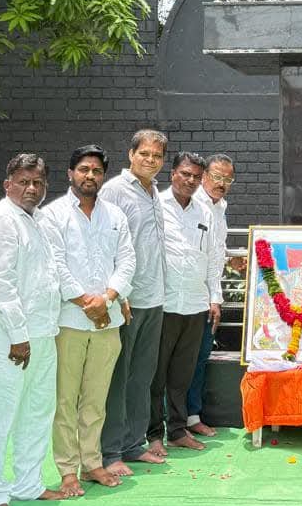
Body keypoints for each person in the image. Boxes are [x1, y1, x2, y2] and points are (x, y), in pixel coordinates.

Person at [0, 154, 67, 506]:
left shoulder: (41, 220)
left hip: (44, 331)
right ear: (7, 184)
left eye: (38, 182)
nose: (32, 188)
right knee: (0, 415)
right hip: (11, 337)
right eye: (24, 181)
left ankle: (29, 483)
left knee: (38, 410)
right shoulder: (2, 220)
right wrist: (18, 334)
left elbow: (51, 275)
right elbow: (2, 282)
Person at [44, 145, 136, 492]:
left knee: (96, 399)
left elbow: (127, 261)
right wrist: (87, 302)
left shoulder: (115, 215)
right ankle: (68, 469)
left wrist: (108, 298)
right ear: (71, 173)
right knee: (65, 399)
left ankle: (92, 463)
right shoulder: (53, 215)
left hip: (107, 321)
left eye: (97, 171)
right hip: (69, 320)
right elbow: (55, 265)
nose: (90, 176)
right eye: (83, 169)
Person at [98, 129, 168, 476]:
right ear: (130, 154)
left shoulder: (154, 192)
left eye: (157, 156)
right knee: (119, 378)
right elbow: (106, 247)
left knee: (141, 377)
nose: (150, 161)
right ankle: (110, 451)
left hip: (154, 299)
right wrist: (119, 294)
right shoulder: (114, 190)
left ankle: (132, 444)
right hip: (127, 301)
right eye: (144, 154)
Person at [150, 153, 223, 454]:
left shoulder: (204, 212)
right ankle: (154, 434)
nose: (190, 180)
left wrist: (214, 297)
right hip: (163, 303)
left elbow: (213, 257)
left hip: (195, 304)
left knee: (183, 374)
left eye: (195, 176)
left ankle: (178, 430)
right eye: (185, 174)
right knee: (156, 375)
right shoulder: (156, 205)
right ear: (173, 174)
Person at [187, 154, 236, 438]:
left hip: (208, 297)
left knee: (200, 356)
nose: (222, 183)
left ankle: (191, 416)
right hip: (187, 296)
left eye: (228, 179)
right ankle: (173, 420)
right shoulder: (192, 204)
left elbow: (215, 254)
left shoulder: (220, 207)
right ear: (204, 176)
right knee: (182, 360)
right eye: (216, 177)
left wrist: (215, 297)